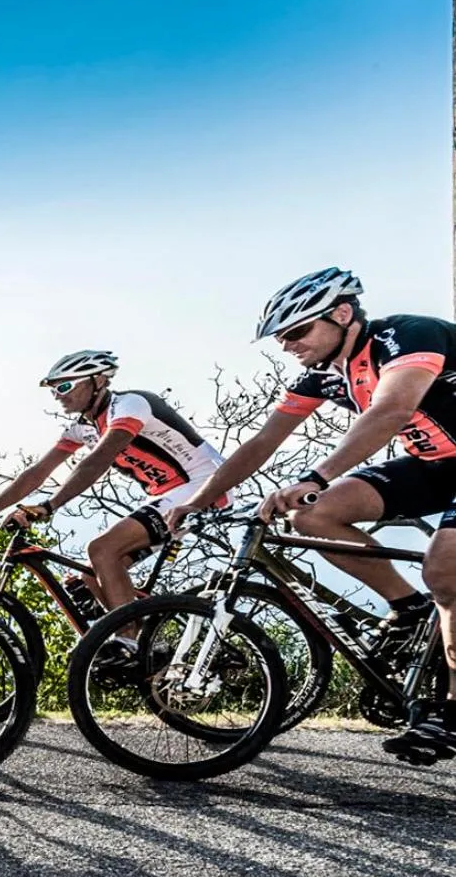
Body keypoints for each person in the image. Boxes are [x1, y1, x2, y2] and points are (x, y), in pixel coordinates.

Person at [165, 268, 456, 763]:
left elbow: (389, 413)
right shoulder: (325, 373)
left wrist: (314, 479)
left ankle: (452, 713)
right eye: (282, 337)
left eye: (298, 331)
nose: (288, 345)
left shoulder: (408, 336)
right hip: (436, 464)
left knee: (444, 568)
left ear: (343, 315)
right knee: (315, 517)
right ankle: (410, 609)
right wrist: (197, 499)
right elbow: (262, 442)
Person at [0, 350, 229, 669]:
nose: (58, 396)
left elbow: (98, 460)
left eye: (65, 386)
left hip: (207, 486)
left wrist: (49, 505)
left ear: (98, 381)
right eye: (54, 389)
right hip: (171, 494)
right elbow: (36, 473)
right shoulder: (82, 428)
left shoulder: (130, 405)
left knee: (102, 549)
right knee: (86, 577)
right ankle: (146, 641)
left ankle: (128, 643)